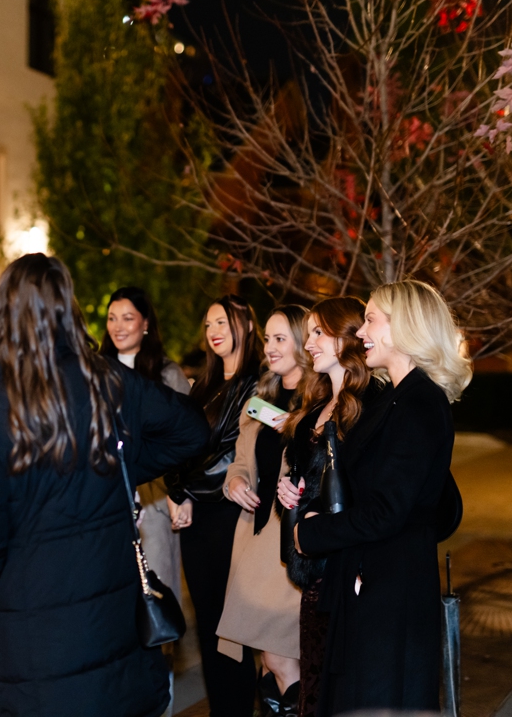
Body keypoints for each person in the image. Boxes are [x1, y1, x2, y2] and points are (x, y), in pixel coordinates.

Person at [0, 254, 210, 717]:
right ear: (66, 308)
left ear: (4, 311)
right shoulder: (109, 381)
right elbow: (191, 430)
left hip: (31, 612)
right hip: (112, 604)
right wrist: (120, 464)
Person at [293, 281, 472, 717]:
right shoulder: (394, 399)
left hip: (391, 595)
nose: (362, 332)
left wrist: (312, 533)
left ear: (404, 327)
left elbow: (388, 512)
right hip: (369, 587)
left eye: (371, 319)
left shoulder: (420, 403)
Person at [275, 296, 381, 717]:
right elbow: (302, 476)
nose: (310, 343)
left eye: (319, 332)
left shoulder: (373, 406)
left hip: (351, 571)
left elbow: (374, 493)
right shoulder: (313, 410)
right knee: (315, 685)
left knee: (345, 688)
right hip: (314, 570)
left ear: (349, 336)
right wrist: (289, 492)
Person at [164, 294, 261, 717]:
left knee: (233, 627)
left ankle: (238, 709)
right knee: (207, 623)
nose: (214, 331)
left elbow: (233, 453)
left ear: (246, 325)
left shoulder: (262, 384)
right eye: (208, 325)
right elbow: (178, 447)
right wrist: (175, 491)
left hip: (231, 514)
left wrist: (185, 490)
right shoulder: (201, 385)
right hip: (197, 518)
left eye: (222, 321)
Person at [100, 286, 191, 717]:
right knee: (110, 616)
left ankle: (161, 707)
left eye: (128, 317)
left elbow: (186, 440)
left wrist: (175, 492)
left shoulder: (166, 375)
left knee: (153, 609)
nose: (119, 326)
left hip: (152, 510)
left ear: (146, 323)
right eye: (112, 318)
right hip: (102, 511)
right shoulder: (94, 373)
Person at [217, 305, 310, 717]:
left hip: (289, 543)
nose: (270, 348)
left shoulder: (322, 401)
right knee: (269, 662)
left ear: (304, 343)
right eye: (268, 339)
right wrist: (234, 482)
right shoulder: (258, 402)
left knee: (281, 658)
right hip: (253, 540)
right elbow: (240, 462)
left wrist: (297, 425)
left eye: (280, 339)